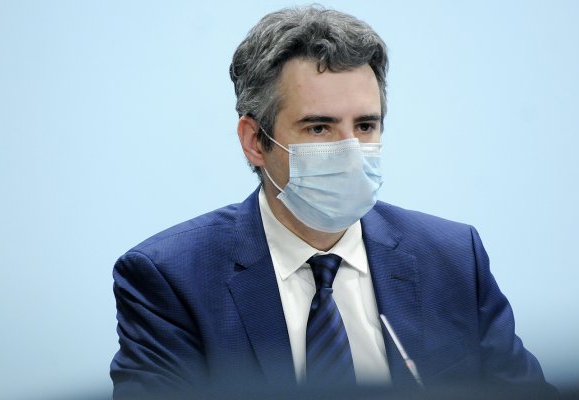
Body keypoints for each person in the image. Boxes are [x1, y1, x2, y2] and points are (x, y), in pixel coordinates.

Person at [110, 5, 553, 398]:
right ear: (254, 141)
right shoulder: (172, 280)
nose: (351, 151)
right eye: (319, 128)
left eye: (365, 126)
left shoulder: (452, 259)